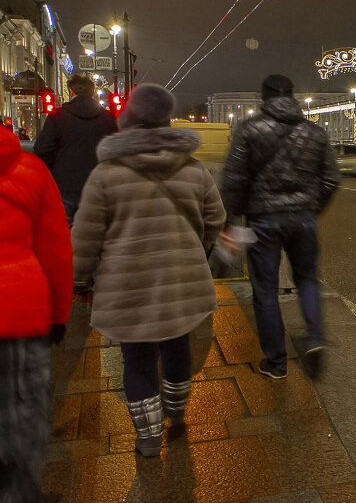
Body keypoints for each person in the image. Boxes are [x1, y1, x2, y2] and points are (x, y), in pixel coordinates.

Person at [71, 85, 226, 457]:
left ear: (129, 121)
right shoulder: (193, 168)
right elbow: (216, 218)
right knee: (177, 344)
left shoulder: (106, 174)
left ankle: (148, 437)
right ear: (166, 120)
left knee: (137, 357)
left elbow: (86, 235)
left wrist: (80, 280)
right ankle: (176, 412)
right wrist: (196, 253)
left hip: (128, 284)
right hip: (180, 279)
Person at [222, 75, 338, 381]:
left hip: (263, 220)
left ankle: (276, 363)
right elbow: (330, 179)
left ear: (265, 97)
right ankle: (314, 338)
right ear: (292, 95)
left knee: (265, 291)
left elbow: (233, 179)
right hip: (303, 218)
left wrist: (229, 221)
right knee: (308, 280)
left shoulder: (249, 129)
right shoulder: (314, 131)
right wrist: (312, 209)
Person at [0, 123, 72, 500]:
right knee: (23, 408)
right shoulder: (30, 170)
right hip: (22, 309)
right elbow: (56, 248)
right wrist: (60, 313)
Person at [33, 73, 119, 226]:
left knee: (63, 233)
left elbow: (41, 149)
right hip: (98, 187)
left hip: (64, 186)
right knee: (93, 233)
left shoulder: (58, 117)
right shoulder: (108, 119)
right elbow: (116, 152)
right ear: (92, 92)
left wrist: (55, 171)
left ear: (71, 92)